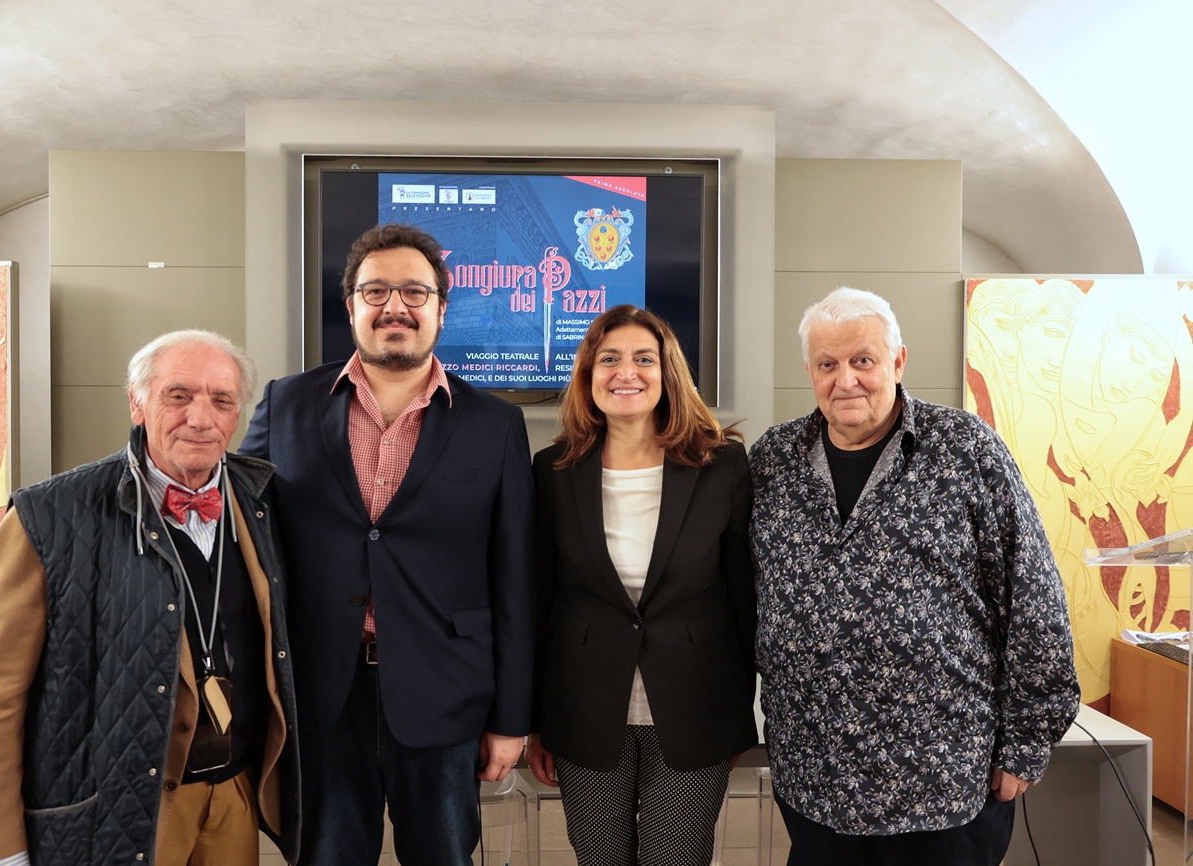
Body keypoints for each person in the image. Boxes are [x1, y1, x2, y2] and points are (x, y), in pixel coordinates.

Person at [748, 287, 1079, 866]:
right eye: (828, 364)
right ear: (809, 370)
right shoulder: (774, 459)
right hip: (815, 778)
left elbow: (1034, 600)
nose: (845, 379)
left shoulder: (967, 450)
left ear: (898, 361)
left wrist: (1027, 740)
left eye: (863, 360)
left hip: (943, 782)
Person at [240, 223, 535, 866]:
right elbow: (245, 542)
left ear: (440, 308)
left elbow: (515, 578)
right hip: (319, 695)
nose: (394, 306)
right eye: (375, 291)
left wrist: (511, 718)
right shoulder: (285, 404)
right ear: (350, 307)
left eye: (413, 292)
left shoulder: (496, 424)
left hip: (445, 692)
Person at [0, 330, 300, 866]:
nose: (201, 418)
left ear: (238, 416)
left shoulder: (263, 508)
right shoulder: (47, 518)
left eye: (221, 399)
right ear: (137, 403)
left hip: (232, 799)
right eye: (178, 396)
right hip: (113, 812)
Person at [527, 305, 757, 866]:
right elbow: (539, 601)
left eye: (643, 359)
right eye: (609, 359)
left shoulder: (721, 464)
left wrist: (736, 714)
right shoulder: (552, 470)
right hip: (583, 708)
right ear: (587, 375)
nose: (625, 372)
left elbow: (743, 596)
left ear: (667, 372)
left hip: (695, 707)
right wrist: (537, 721)